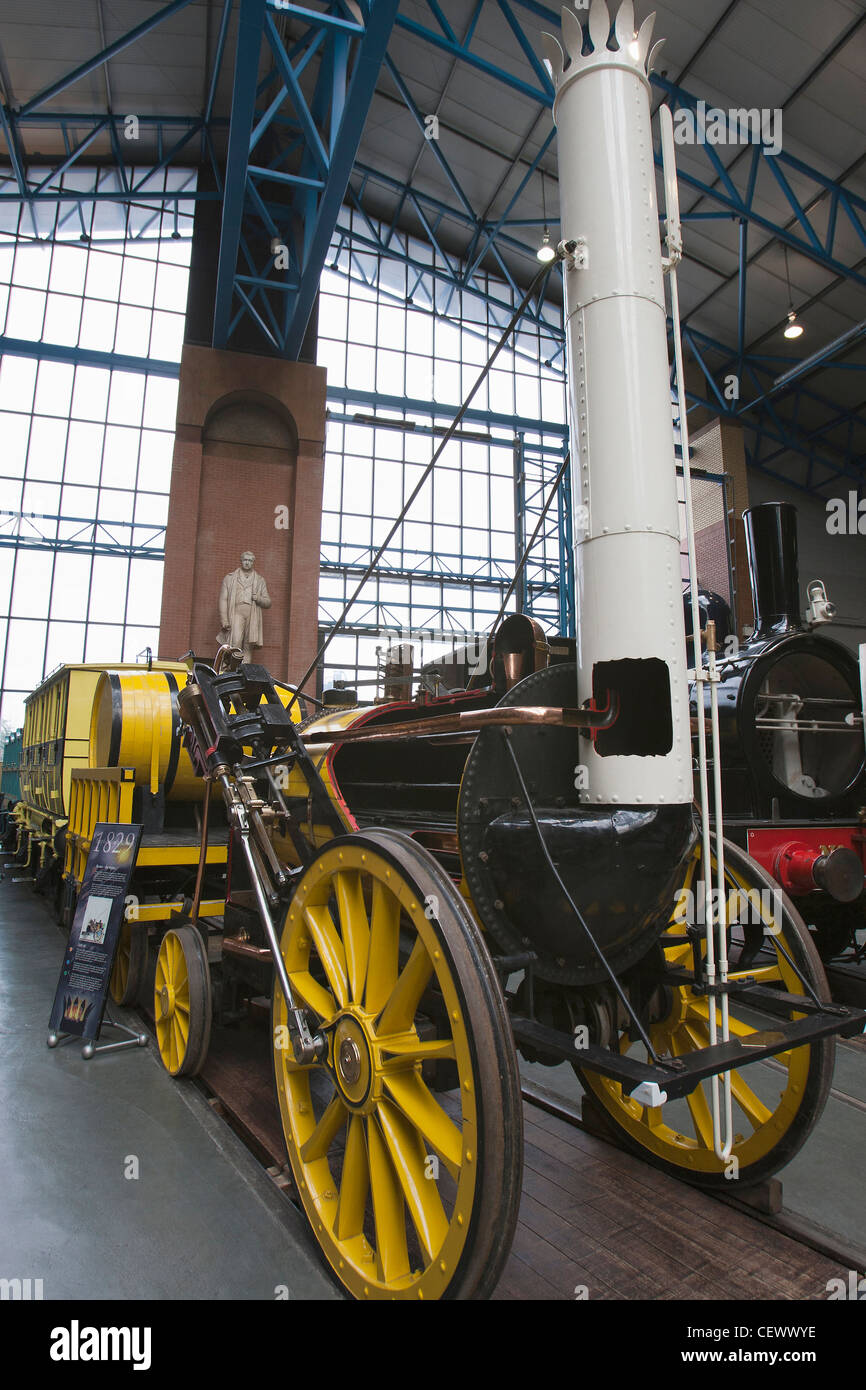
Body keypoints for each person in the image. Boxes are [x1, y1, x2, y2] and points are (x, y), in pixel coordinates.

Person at [217, 551, 272, 661]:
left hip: (252, 614)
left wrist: (258, 598)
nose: (247, 563)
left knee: (248, 644)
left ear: (253, 562)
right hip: (236, 612)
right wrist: (224, 620)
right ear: (241, 561)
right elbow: (223, 599)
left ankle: (244, 670)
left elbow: (268, 602)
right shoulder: (230, 578)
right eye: (245, 560)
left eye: (250, 560)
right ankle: (232, 670)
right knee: (235, 641)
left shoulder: (260, 580)